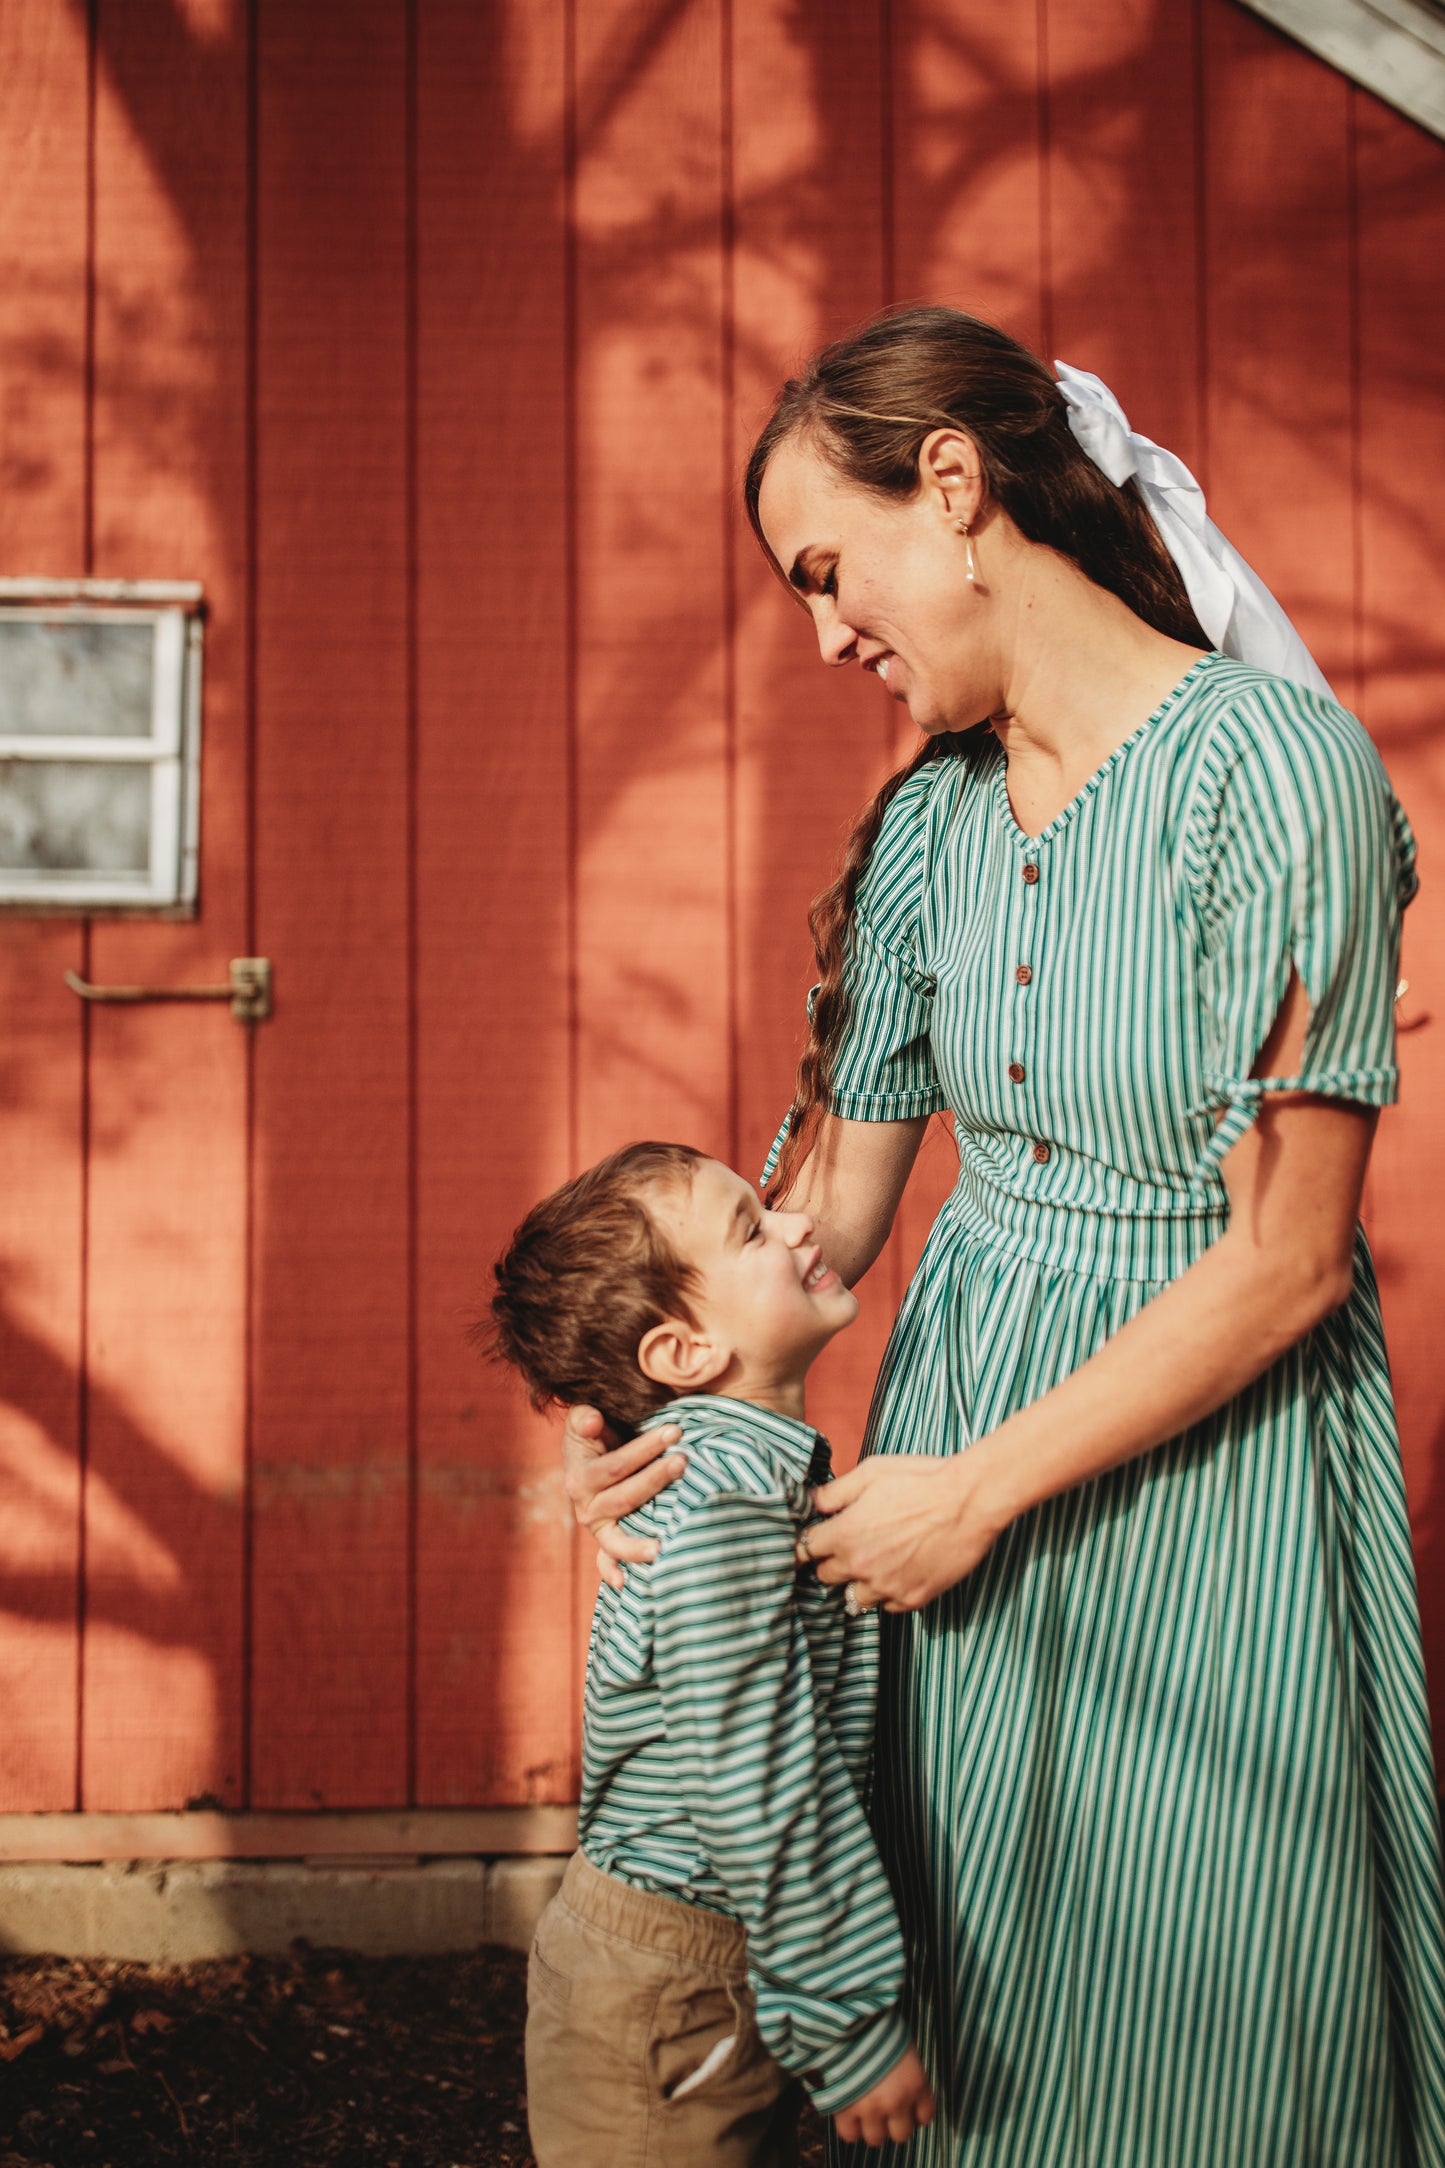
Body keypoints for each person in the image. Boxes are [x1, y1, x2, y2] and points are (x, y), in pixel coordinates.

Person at [561, 308, 1445, 2166]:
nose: (825, 636)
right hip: (950, 1478)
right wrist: (656, 1403)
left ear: (952, 487)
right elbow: (828, 1219)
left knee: (1209, 1992)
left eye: (829, 570)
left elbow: (1288, 1261)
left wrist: (975, 1490)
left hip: (1205, 1475)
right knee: (984, 2010)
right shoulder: (927, 833)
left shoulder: (1273, 776)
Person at [483, 1139, 935, 2166]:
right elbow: (751, 1762)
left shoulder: (745, 1469)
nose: (797, 1223)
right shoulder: (723, 1496)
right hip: (664, 1977)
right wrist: (843, 2013)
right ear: (681, 1353)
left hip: (700, 1952)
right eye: (751, 1226)